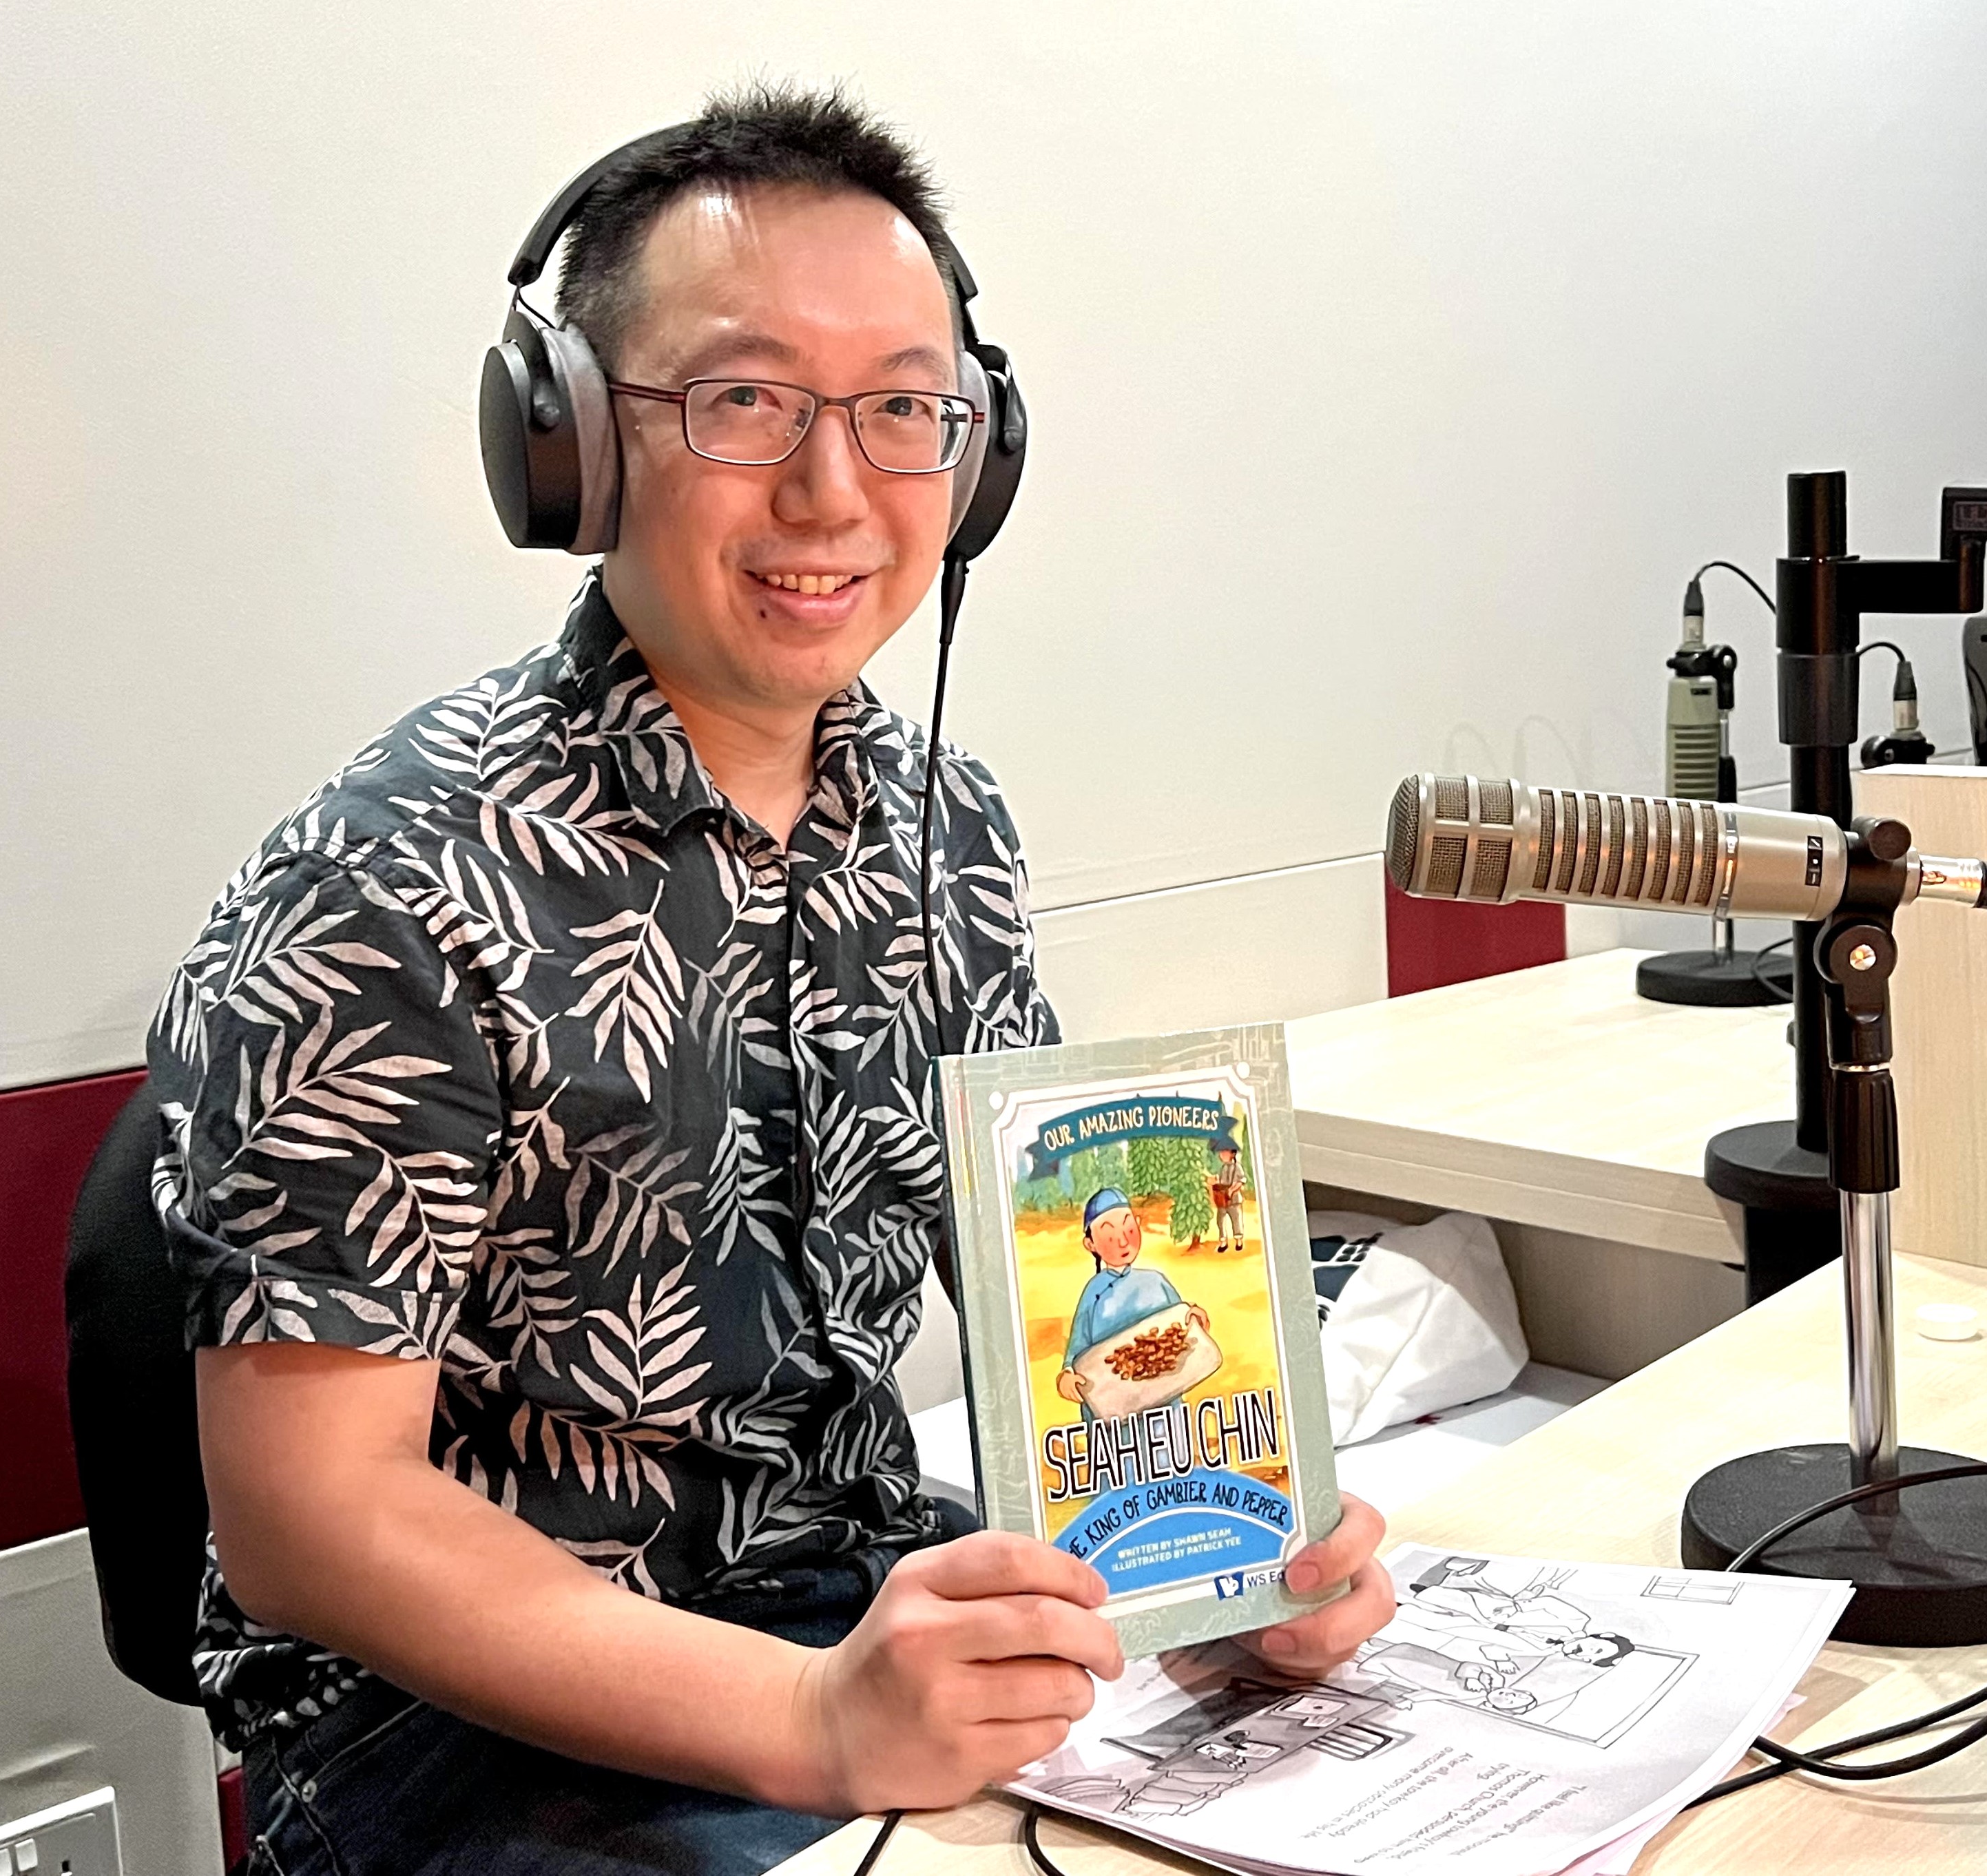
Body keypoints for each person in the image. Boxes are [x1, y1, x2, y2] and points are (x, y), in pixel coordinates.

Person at [150, 83, 1395, 1876]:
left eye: (901, 409)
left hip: (849, 1593)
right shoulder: (384, 877)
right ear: (573, 445)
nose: (832, 491)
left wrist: (1212, 1574)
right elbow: (306, 1523)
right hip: (451, 1726)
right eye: (744, 401)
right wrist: (807, 1718)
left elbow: (1047, 1292)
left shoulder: (944, 825)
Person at [1055, 1187, 1209, 1408]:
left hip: (1165, 1401)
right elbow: (1076, 1352)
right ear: (1091, 1244)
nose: (1122, 1241)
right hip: (1114, 1408)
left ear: (1137, 1224)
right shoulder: (1093, 1294)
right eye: (1110, 1235)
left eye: (1128, 1229)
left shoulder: (1156, 1281)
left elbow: (1183, 1327)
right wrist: (1067, 1376)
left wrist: (1196, 1317)